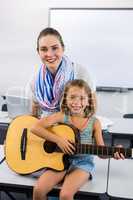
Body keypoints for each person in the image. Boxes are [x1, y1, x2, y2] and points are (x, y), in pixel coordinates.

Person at [31, 79, 124, 200]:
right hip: (58, 161)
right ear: (66, 99)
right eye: (72, 97)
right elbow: (35, 127)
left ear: (88, 101)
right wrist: (58, 140)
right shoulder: (61, 116)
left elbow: (101, 152)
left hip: (82, 165)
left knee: (65, 195)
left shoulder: (94, 123)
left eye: (82, 98)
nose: (76, 102)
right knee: (38, 190)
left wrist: (113, 153)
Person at [30, 27, 96, 118]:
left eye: (54, 48)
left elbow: (92, 107)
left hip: (74, 128)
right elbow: (34, 113)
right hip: (46, 127)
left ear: (63, 48)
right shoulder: (36, 80)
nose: (49, 54)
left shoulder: (80, 72)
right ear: (38, 52)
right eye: (44, 49)